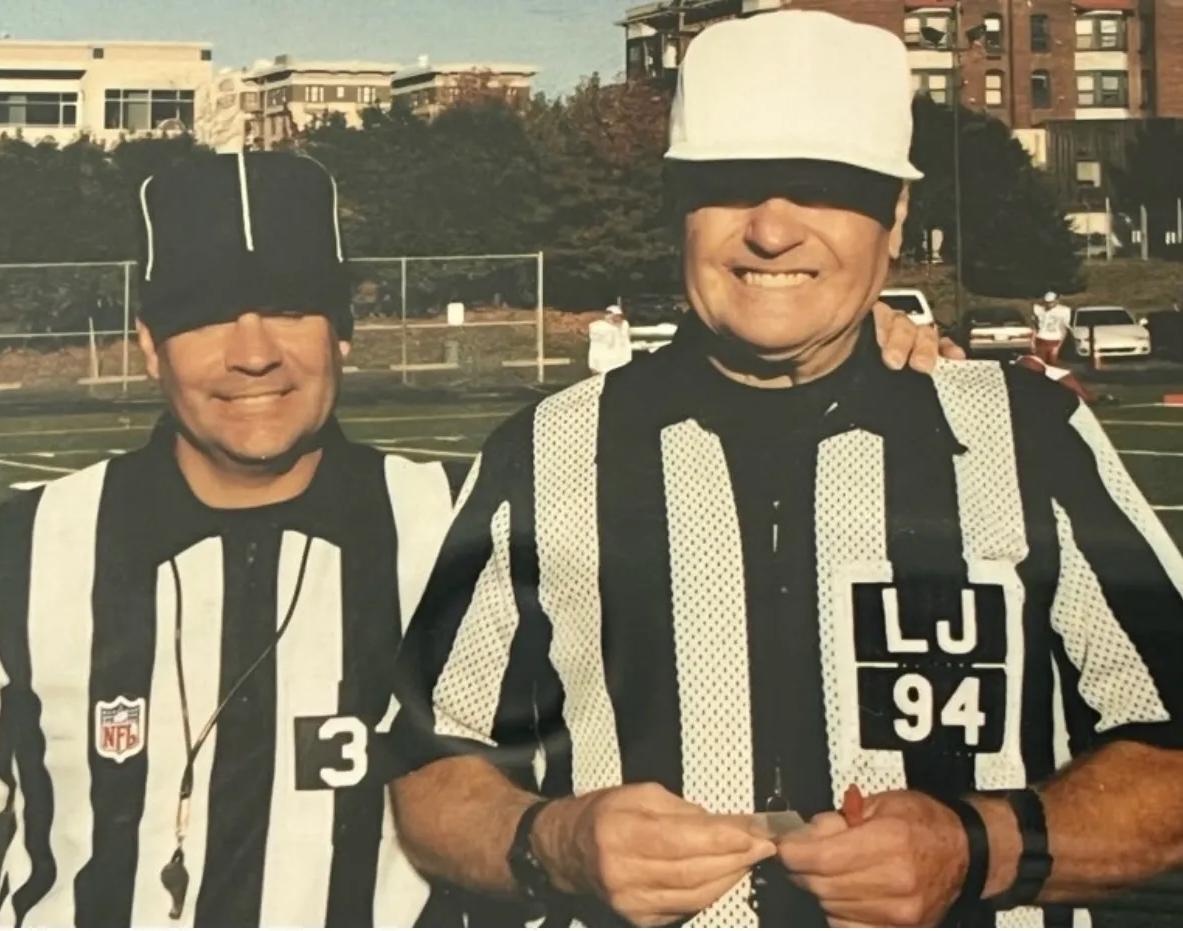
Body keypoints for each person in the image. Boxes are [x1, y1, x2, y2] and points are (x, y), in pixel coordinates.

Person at [386, 11, 1183, 930]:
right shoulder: (548, 448)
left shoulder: (1028, 433)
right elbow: (431, 768)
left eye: (823, 188)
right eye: (731, 186)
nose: (772, 231)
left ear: (894, 219)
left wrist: (979, 846)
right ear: (676, 206)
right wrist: (556, 842)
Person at [0, 152, 471, 927]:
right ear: (151, 344)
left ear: (344, 332)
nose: (252, 350)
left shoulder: (463, 528)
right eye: (205, 313)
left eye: (291, 306)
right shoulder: (22, 546)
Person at [588, 304, 634, 375]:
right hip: (603, 366)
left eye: (619, 316)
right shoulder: (598, 327)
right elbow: (596, 346)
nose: (618, 319)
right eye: (616, 316)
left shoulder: (624, 325)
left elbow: (626, 340)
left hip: (621, 363)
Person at [1032, 290, 1072, 365]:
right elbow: (1036, 327)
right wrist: (1032, 341)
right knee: (1039, 364)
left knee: (1053, 364)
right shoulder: (1039, 309)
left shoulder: (1063, 311)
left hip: (1054, 340)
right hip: (1041, 339)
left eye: (1051, 302)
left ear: (1056, 301)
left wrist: (1058, 347)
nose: (1049, 305)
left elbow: (1064, 330)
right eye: (1047, 303)